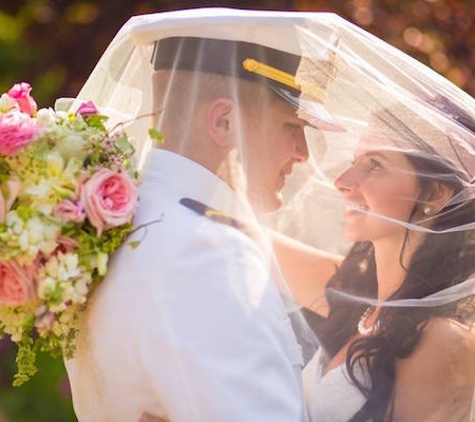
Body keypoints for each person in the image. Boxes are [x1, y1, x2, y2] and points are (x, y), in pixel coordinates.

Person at [64, 9, 343, 422]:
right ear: (223, 121)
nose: (302, 153)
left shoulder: (109, 228)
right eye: (290, 126)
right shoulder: (210, 254)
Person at [272, 98, 475, 421]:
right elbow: (249, 240)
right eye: (355, 161)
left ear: (435, 195)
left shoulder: (443, 341)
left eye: (375, 165)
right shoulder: (357, 297)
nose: (342, 182)